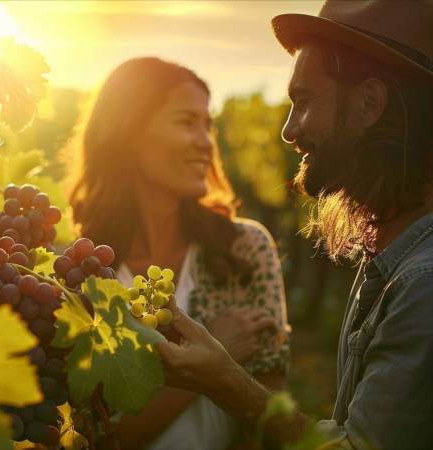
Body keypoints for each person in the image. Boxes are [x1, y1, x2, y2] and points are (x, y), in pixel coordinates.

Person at [156, 1, 433, 449]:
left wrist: (226, 381)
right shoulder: (392, 257)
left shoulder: (424, 281)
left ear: (369, 103)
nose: (287, 129)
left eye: (303, 101)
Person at [66, 57, 291, 449]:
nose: (205, 142)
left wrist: (216, 370)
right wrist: (219, 361)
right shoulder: (81, 273)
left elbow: (275, 427)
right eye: (186, 122)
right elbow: (94, 440)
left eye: (208, 125)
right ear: (128, 131)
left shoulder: (245, 250)